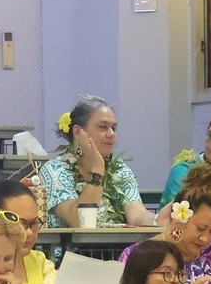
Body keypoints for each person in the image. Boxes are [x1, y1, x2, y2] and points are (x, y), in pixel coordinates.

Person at [41, 97, 156, 228]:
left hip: (116, 242)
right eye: (103, 127)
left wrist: (157, 220)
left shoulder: (120, 169)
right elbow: (80, 222)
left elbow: (137, 214)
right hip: (72, 242)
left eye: (113, 128)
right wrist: (97, 170)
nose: (111, 134)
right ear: (78, 132)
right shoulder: (55, 170)